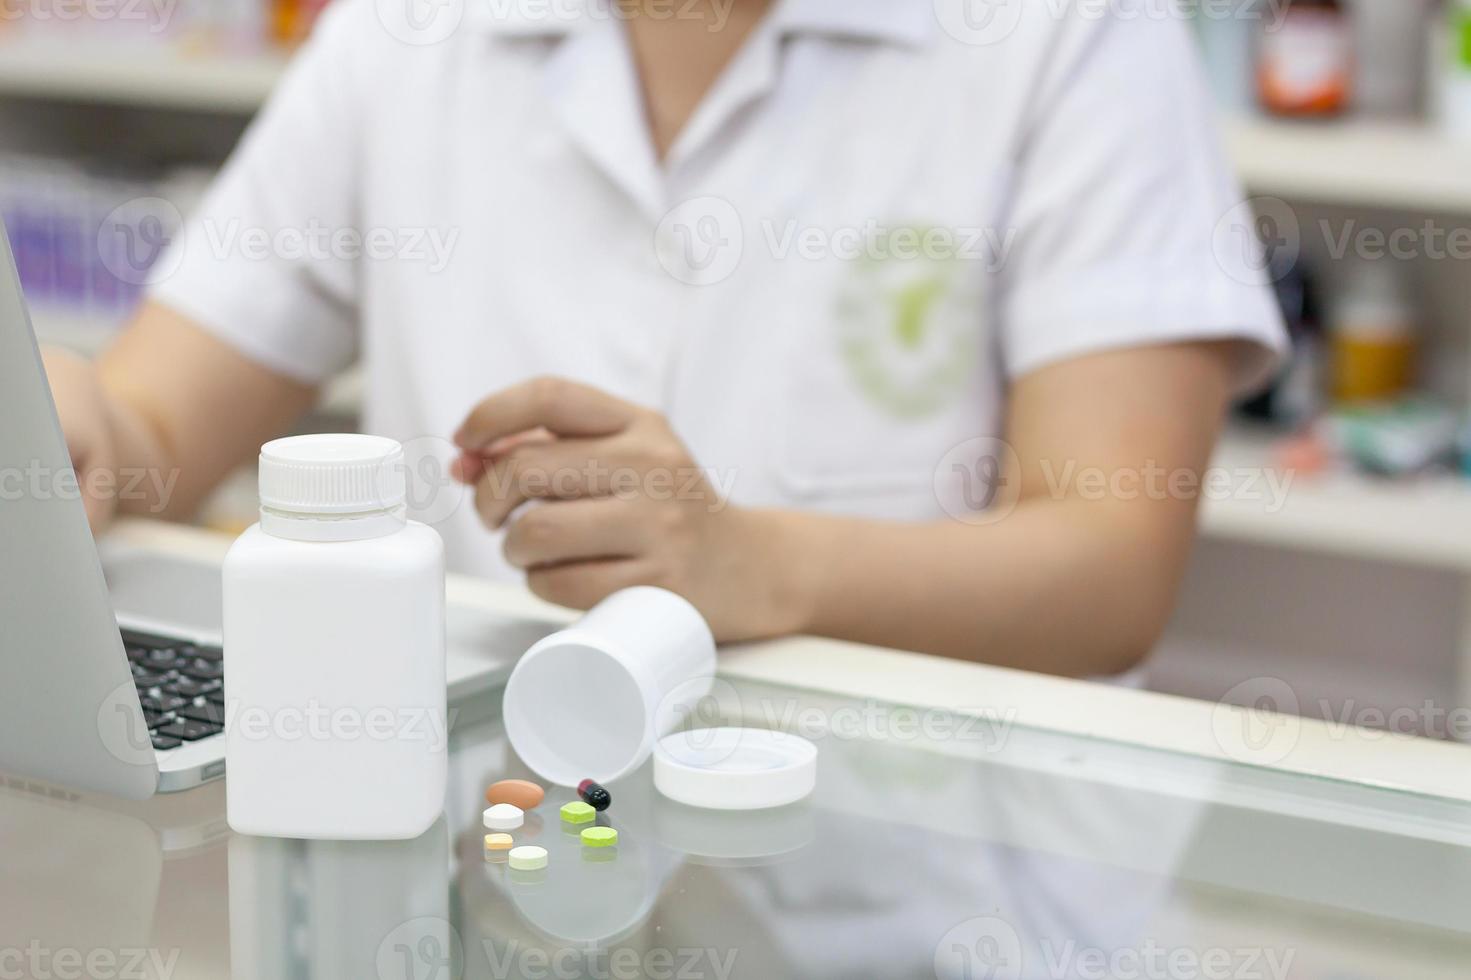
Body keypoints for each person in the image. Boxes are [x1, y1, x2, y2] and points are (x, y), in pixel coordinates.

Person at [41, 0, 1285, 677]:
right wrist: (61, 418)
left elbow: (1110, 566)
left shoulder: (1073, 31)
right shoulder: (407, 32)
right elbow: (153, 428)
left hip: (916, 880)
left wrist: (756, 564)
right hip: (488, 829)